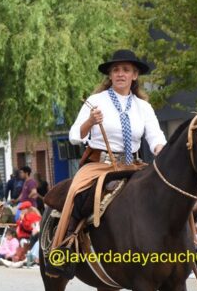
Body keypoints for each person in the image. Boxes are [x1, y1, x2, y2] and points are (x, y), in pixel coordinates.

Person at [51, 49, 167, 276]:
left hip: (133, 165)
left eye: (126, 70)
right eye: (116, 70)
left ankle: (188, 243)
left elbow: (156, 137)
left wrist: (162, 151)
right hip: (100, 164)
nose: (120, 74)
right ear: (110, 75)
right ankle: (65, 246)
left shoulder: (143, 107)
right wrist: (90, 121)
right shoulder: (96, 101)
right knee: (77, 193)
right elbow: (75, 135)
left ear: (134, 75)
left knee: (166, 191)